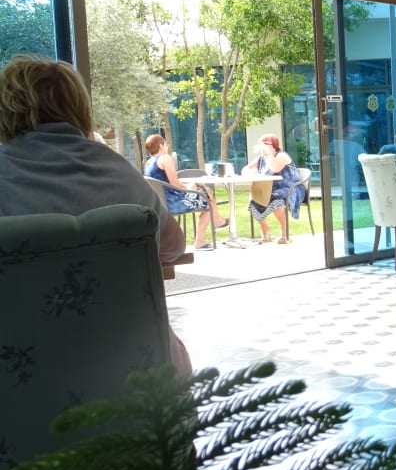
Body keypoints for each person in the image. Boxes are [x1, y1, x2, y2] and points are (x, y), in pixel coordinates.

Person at [0, 55, 192, 376]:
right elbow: (174, 248)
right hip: (143, 372)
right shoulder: (120, 172)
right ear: (79, 108)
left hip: (27, 378)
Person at [144, 134, 227, 251]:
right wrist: (189, 188)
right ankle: (204, 236)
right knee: (207, 197)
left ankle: (218, 221)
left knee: (205, 194)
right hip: (173, 202)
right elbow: (174, 183)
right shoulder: (165, 158)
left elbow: (166, 183)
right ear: (161, 146)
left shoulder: (148, 163)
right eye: (166, 144)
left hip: (159, 203)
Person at [243, 133, 307, 244]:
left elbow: (275, 168)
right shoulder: (262, 158)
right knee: (254, 199)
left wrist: (268, 154)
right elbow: (245, 169)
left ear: (274, 145)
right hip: (271, 188)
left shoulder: (281, 156)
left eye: (265, 144)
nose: (262, 146)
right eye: (261, 143)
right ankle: (265, 230)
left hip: (290, 188)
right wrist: (251, 172)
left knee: (275, 199)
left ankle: (285, 234)